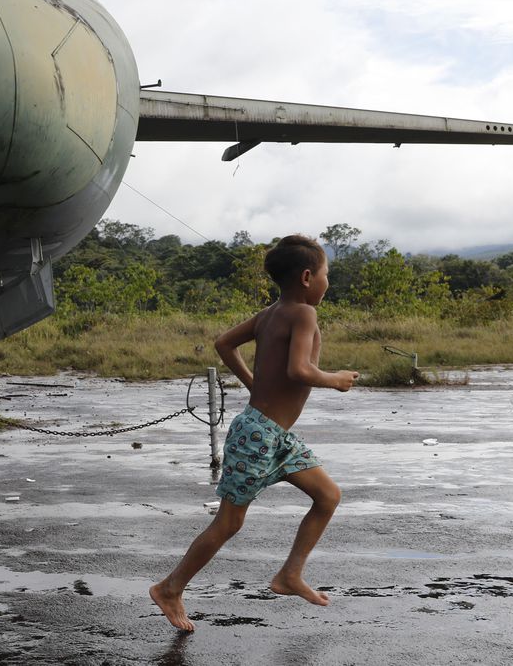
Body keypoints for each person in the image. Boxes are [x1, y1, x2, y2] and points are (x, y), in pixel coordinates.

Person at [150, 234, 360, 632]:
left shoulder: (270, 312)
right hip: (259, 435)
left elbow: (224, 343)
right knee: (229, 523)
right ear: (306, 277)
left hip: (274, 436)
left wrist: (253, 384)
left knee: (328, 495)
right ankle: (169, 588)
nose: (327, 282)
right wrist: (334, 379)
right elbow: (299, 370)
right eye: (326, 274)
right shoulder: (302, 314)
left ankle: (290, 575)